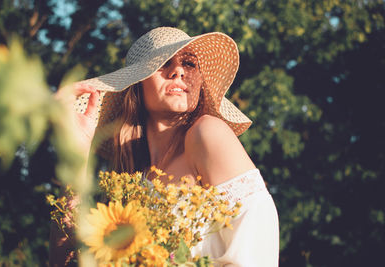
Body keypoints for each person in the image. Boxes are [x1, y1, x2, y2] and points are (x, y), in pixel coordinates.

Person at [51, 27, 279, 266]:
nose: (178, 71)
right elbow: (65, 261)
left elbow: (258, 238)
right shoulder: (131, 181)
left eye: (189, 64)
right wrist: (75, 154)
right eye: (162, 63)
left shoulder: (207, 133)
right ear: (136, 84)